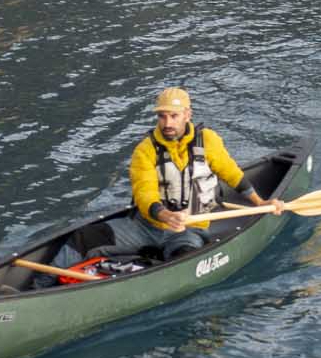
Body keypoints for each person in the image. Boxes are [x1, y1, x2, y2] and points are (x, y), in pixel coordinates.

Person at [93, 87, 284, 261]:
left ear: (187, 115)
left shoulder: (208, 140)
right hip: (146, 227)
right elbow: (145, 193)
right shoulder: (145, 150)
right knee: (82, 240)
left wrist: (260, 203)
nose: (167, 123)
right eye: (162, 116)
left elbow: (232, 174)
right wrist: (165, 215)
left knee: (184, 257)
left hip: (190, 228)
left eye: (174, 116)